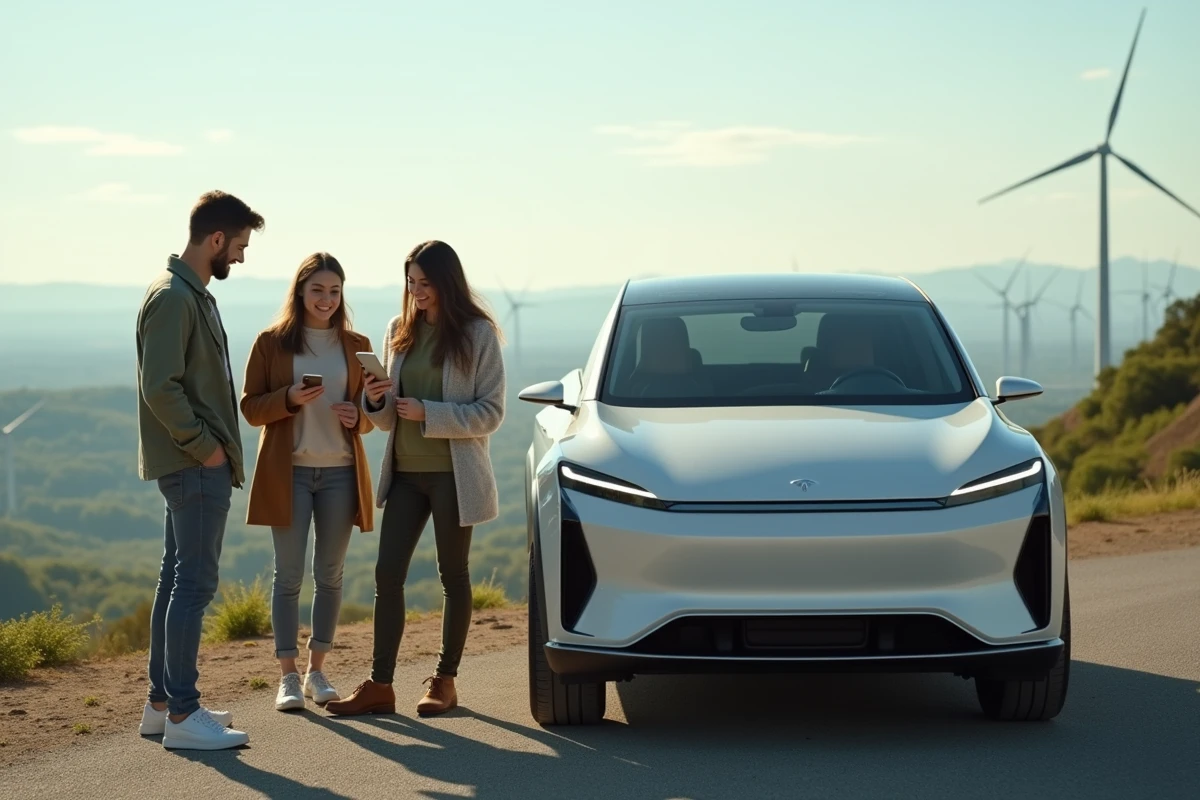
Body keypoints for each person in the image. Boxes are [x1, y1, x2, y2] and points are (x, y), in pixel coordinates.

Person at [325, 239, 506, 717]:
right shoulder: (398, 330)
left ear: (447, 282)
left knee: (453, 575)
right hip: (405, 473)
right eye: (411, 282)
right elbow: (385, 419)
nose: (416, 291)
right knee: (387, 574)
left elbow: (491, 413)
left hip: (454, 476)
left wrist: (430, 412)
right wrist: (375, 398)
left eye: (425, 283)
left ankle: (445, 681)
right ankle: (380, 685)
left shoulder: (478, 334)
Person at [135, 190, 263, 750]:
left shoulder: (189, 294)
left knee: (175, 578)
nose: (240, 256)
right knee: (194, 584)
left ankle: (162, 705)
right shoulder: (174, 298)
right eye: (238, 246)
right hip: (194, 465)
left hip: (193, 464)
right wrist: (206, 448)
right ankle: (184, 717)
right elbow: (160, 387)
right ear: (215, 239)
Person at [240, 252, 377, 713]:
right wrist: (290, 397)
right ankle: (288, 676)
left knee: (331, 575)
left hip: (341, 472)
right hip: (290, 473)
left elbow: (372, 412)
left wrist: (359, 416)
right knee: (288, 575)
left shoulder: (358, 345)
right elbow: (251, 407)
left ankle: (317, 671)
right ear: (300, 291)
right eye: (317, 289)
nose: (326, 299)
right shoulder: (271, 343)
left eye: (334, 291)